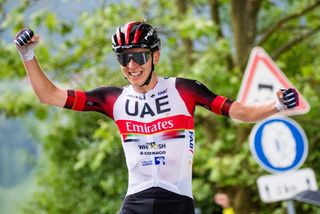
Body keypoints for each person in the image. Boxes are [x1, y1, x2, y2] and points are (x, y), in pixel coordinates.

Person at [14, 21, 299, 214]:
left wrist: (275, 105)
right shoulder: (113, 99)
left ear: (156, 57)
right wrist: (28, 55)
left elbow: (239, 111)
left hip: (176, 200)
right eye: (124, 58)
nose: (132, 65)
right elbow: (48, 95)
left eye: (138, 56)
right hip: (136, 200)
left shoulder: (184, 89)